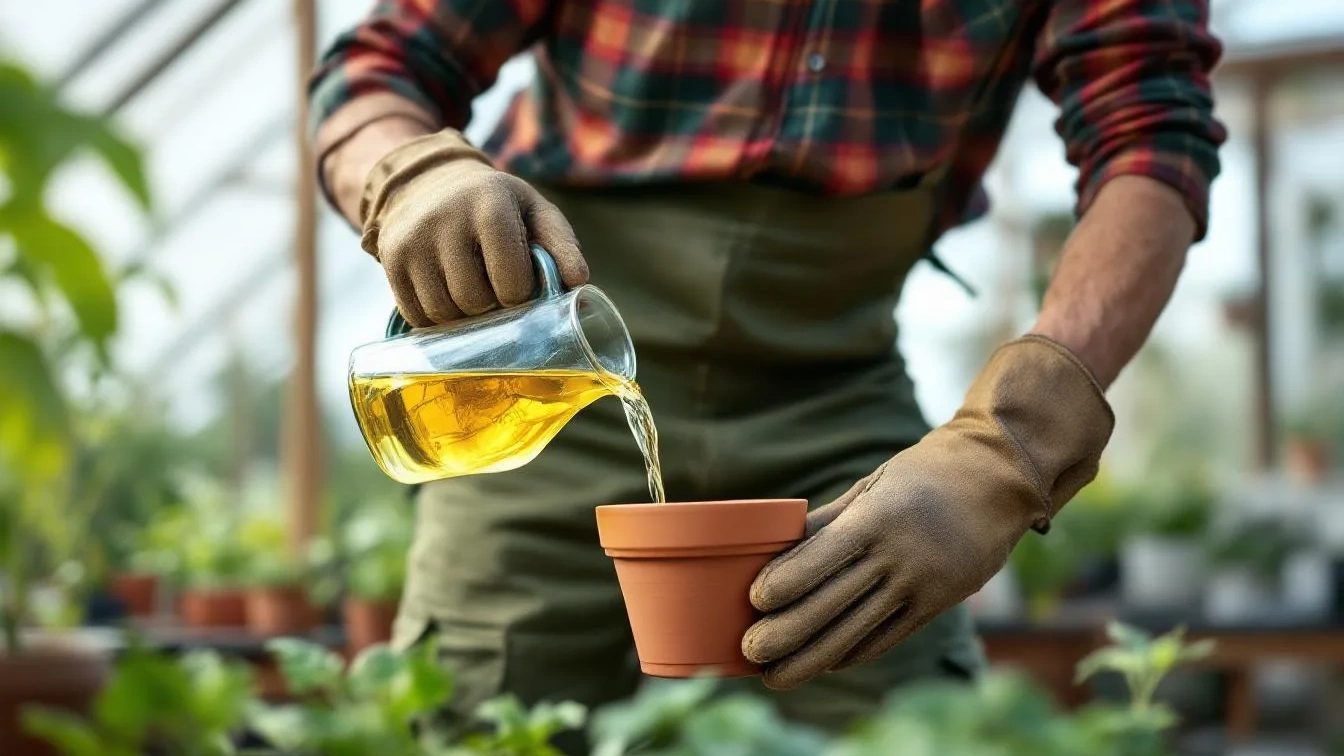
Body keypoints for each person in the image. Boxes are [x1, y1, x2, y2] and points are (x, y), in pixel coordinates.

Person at [309, 0, 1225, 749]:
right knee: (479, 715)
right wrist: (414, 172)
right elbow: (378, 66)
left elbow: (1152, 134)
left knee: (916, 727)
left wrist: (1011, 442)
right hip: (545, 381)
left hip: (838, 404)